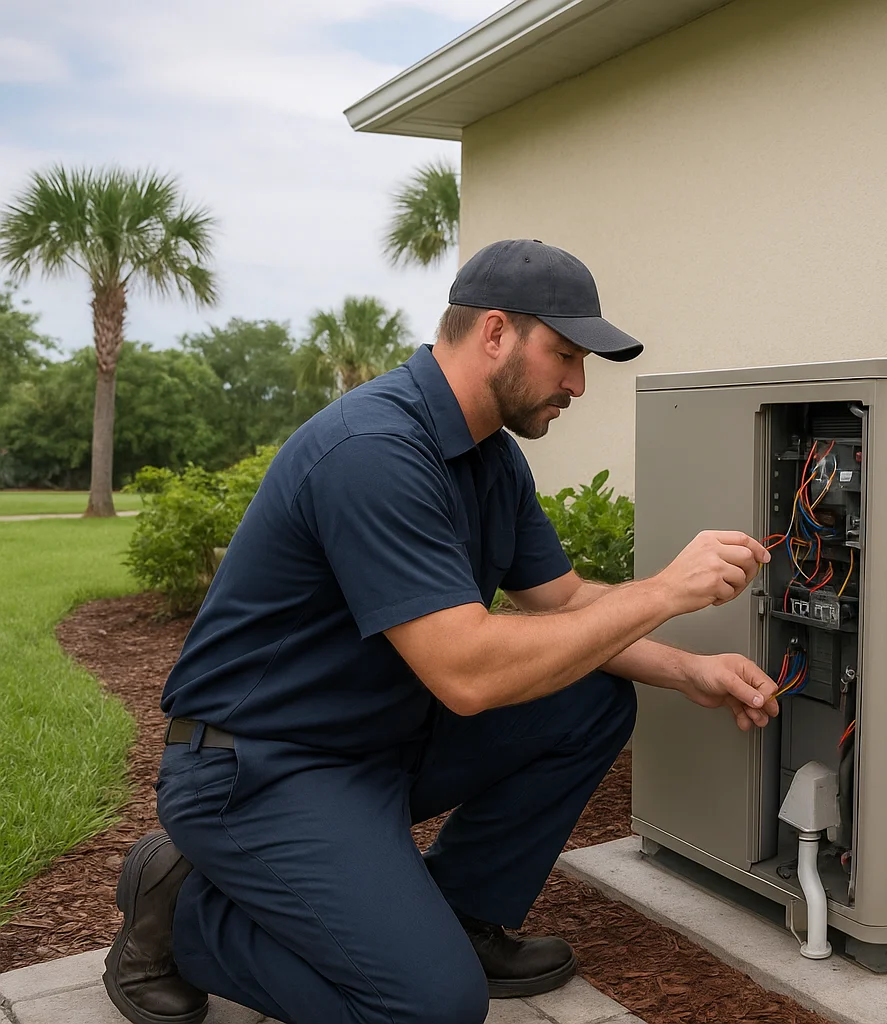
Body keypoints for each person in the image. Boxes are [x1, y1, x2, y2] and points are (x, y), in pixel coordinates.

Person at [102, 239, 780, 1024]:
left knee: (592, 696)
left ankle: (459, 916)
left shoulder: (491, 458)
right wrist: (663, 591)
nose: (578, 384)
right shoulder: (373, 450)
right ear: (495, 333)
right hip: (260, 764)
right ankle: (179, 913)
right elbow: (467, 674)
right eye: (565, 355)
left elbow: (564, 602)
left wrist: (689, 670)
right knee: (432, 1009)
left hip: (378, 741)